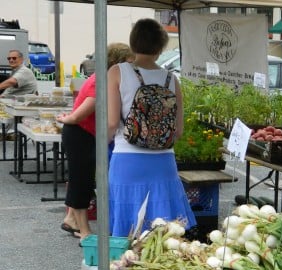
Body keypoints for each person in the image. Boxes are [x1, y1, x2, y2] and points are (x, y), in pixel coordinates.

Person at [107, 18, 196, 237]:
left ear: (133, 42)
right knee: (164, 233)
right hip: (163, 162)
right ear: (160, 46)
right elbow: (178, 131)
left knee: (126, 231)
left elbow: (110, 123)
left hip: (127, 160)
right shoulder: (171, 79)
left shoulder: (118, 72)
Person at [57, 43, 134, 240]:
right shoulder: (101, 82)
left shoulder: (106, 79)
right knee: (81, 181)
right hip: (79, 134)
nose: (132, 66)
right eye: (129, 62)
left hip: (85, 133)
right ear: (117, 62)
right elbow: (80, 114)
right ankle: (84, 232)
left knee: (81, 179)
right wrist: (67, 119)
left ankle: (71, 219)